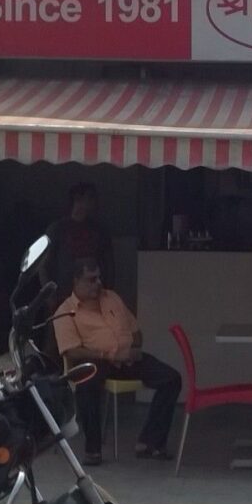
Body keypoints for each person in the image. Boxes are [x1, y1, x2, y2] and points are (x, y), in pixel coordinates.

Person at [53, 257, 181, 465]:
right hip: (95, 359)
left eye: (99, 278)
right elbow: (71, 351)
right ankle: (92, 450)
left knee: (171, 379)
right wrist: (109, 355)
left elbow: (136, 330)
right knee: (86, 386)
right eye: (91, 279)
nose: (98, 284)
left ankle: (150, 442)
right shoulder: (65, 311)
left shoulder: (111, 297)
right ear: (76, 281)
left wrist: (133, 349)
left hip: (127, 358)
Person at [43, 182, 115, 302]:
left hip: (93, 296)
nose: (95, 202)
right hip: (64, 295)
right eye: (90, 197)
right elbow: (45, 265)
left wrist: (108, 292)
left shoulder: (99, 230)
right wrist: (49, 295)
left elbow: (109, 263)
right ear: (78, 199)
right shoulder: (57, 229)